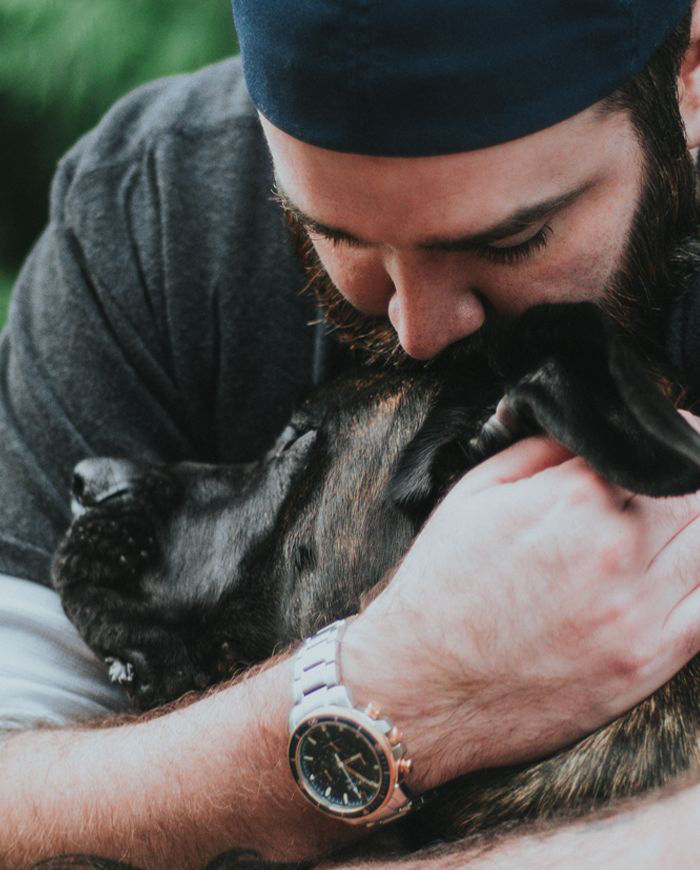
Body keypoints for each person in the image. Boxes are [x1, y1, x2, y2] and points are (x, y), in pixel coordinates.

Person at [2, 0, 700, 866]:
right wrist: (376, 698)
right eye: (335, 235)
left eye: (514, 239)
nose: (418, 327)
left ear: (692, 73)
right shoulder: (164, 209)